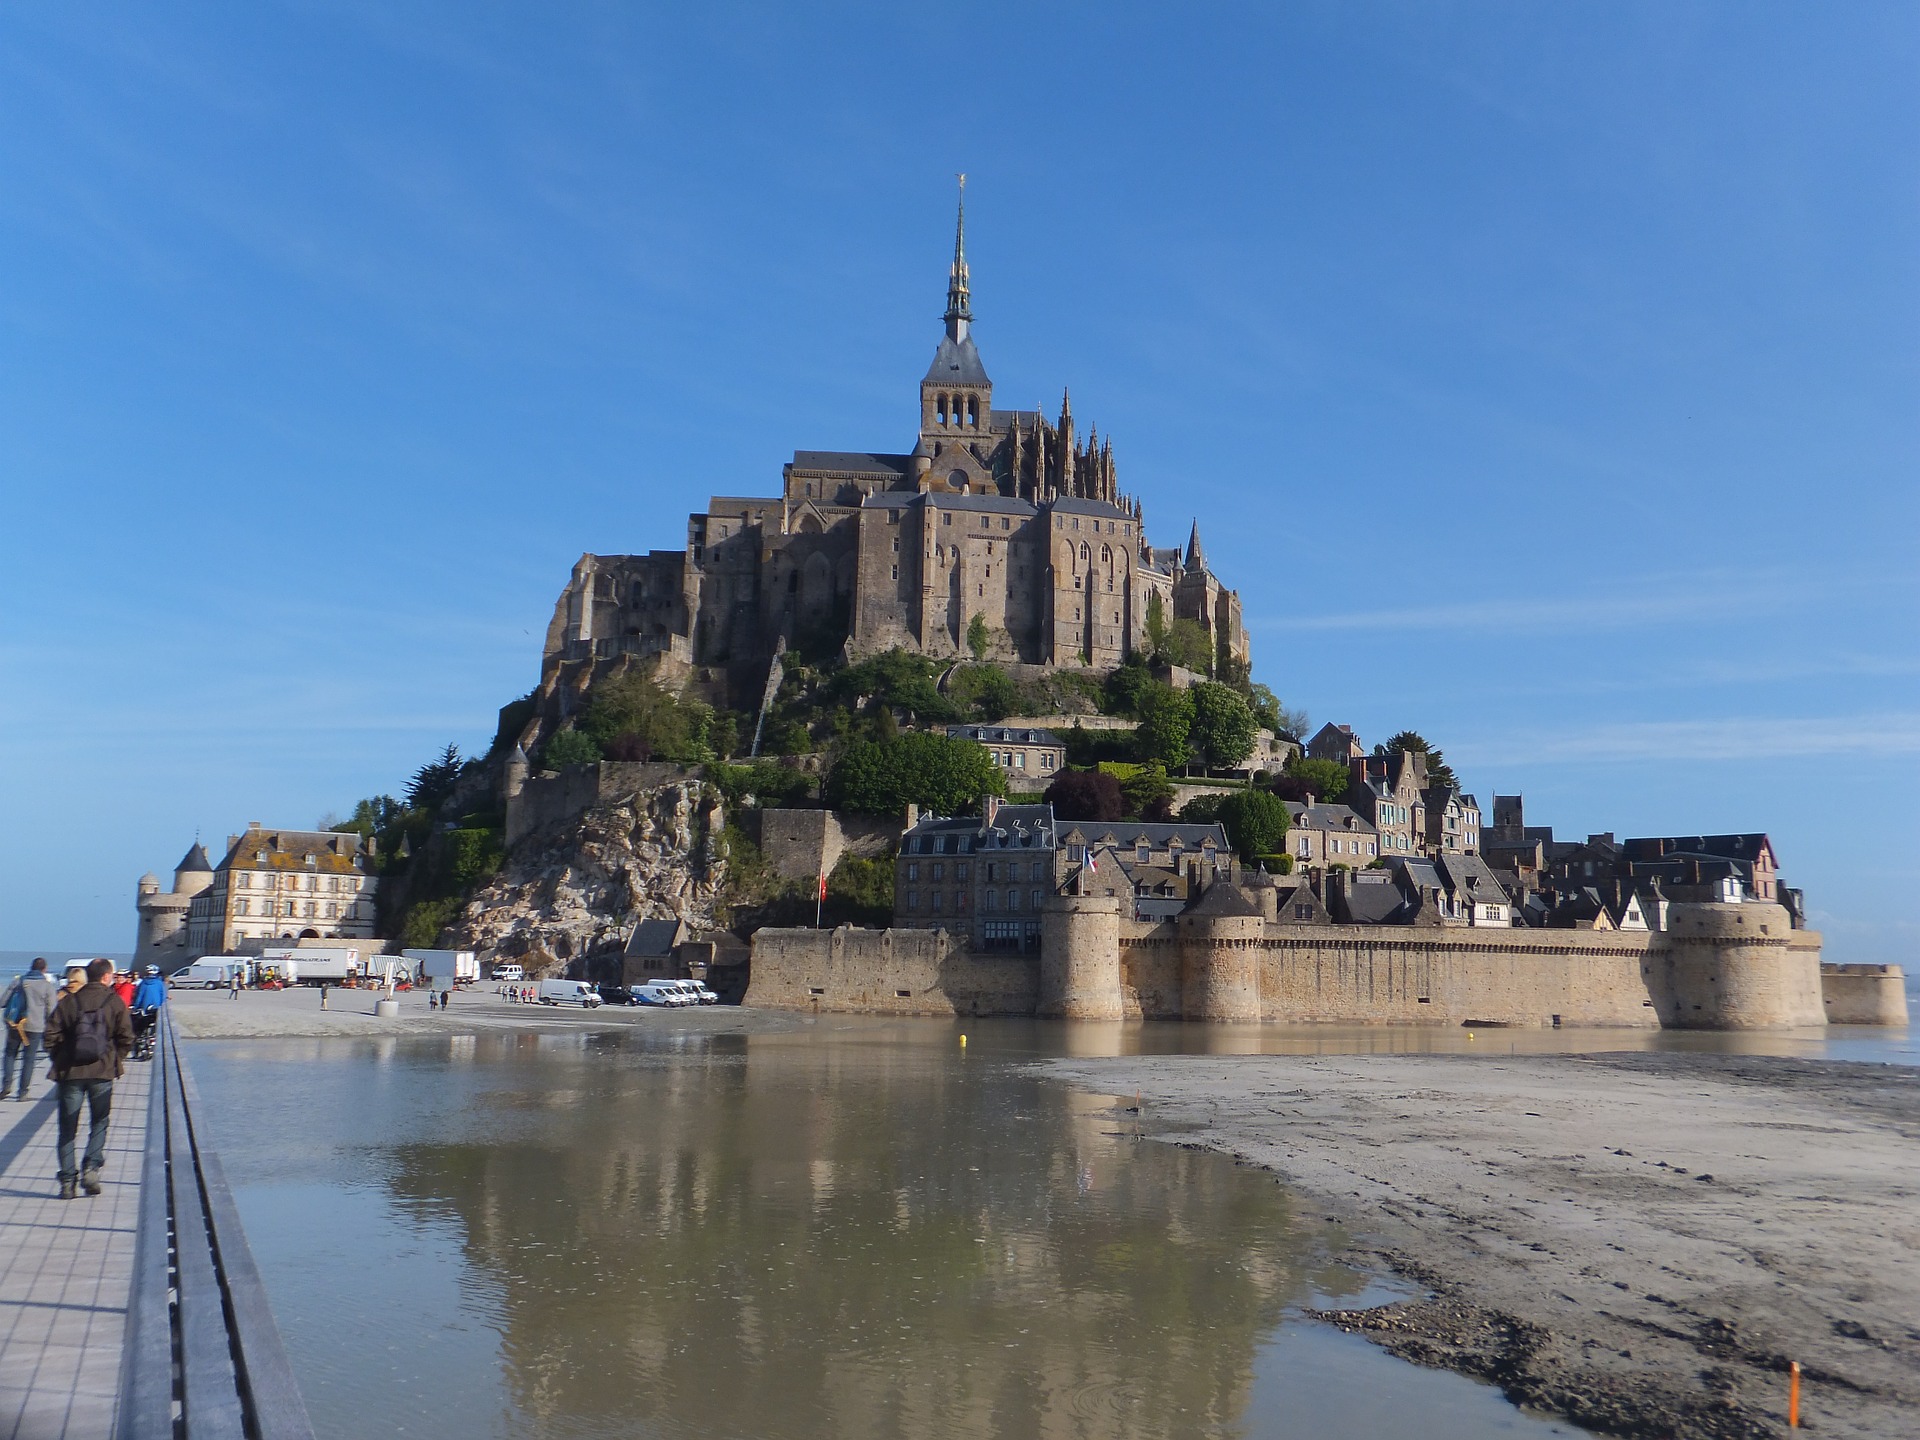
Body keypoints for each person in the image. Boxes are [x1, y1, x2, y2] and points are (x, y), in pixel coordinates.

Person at [43, 958, 134, 1200]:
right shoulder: (114, 1001)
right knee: (99, 1122)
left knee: (67, 1127)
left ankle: (67, 1182)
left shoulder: (70, 1001)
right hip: (102, 1073)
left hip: (71, 1073)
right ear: (106, 977)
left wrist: (60, 1058)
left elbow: (49, 1034)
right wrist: (115, 1059)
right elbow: (127, 1037)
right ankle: (91, 1168)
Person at [2, 958, 59, 1101]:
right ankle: (23, 1092)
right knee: (29, 1059)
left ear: (31, 967)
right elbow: (52, 1011)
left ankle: (6, 1085)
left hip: (15, 1025)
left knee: (10, 1055)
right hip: (35, 1027)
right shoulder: (47, 986)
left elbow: (3, 1001)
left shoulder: (18, 981)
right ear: (44, 970)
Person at [130, 966, 166, 1062]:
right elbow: (163, 997)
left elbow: (139, 997)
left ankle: (141, 1050)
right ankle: (152, 1048)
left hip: (144, 1011)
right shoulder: (159, 983)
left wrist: (135, 1007)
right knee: (153, 1031)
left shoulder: (143, 983)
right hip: (156, 1010)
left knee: (141, 1032)